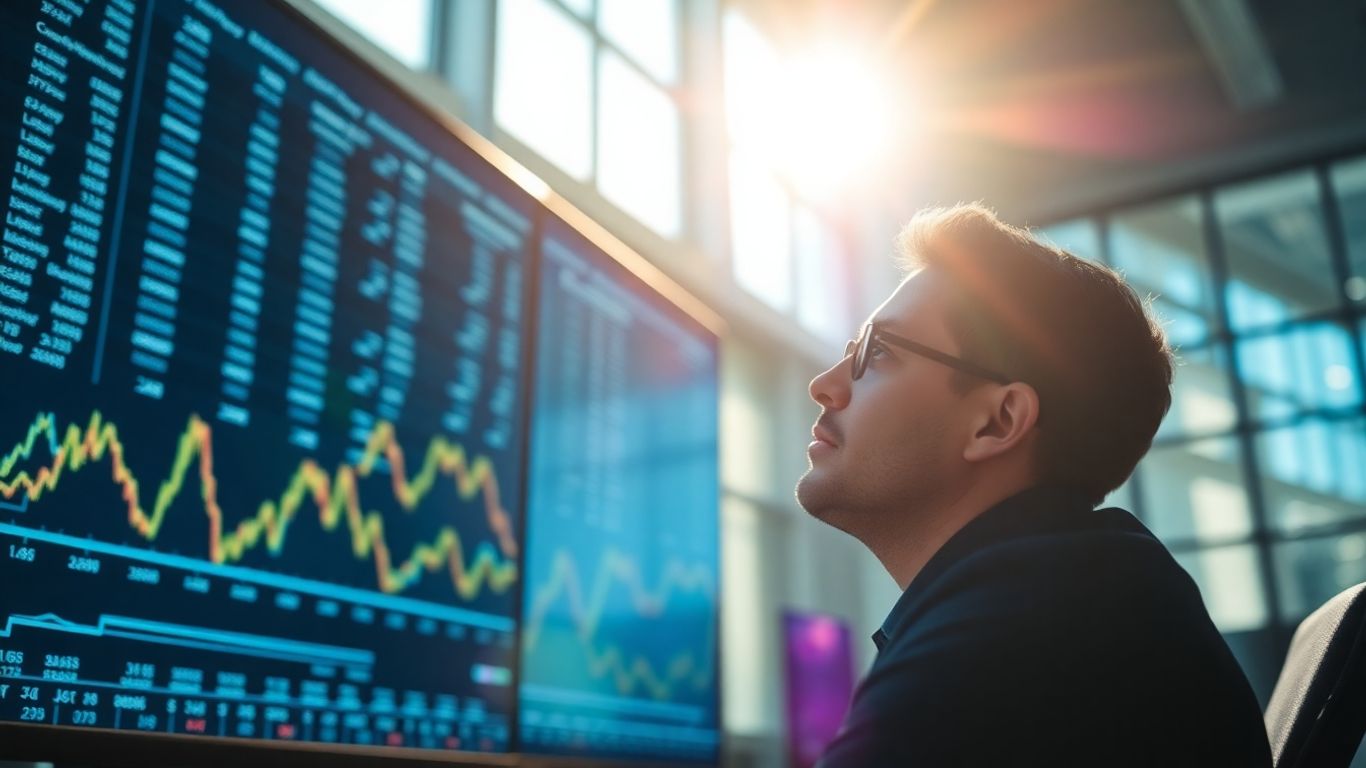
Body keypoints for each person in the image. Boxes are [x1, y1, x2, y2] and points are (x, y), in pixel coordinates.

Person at [798, 204, 1271, 766]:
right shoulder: (1081, 593)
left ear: (998, 421)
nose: (823, 385)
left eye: (878, 353)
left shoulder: (1007, 643)